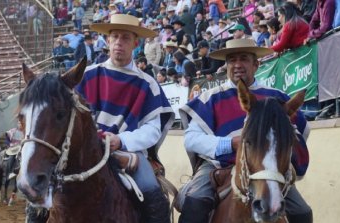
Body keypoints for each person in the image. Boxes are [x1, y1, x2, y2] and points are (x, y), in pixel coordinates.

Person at [177, 39, 312, 223]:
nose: (237, 64)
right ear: (226, 65)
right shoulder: (209, 98)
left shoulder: (277, 97)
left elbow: (300, 132)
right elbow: (191, 139)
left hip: (266, 168)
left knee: (302, 212)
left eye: (244, 59)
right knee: (195, 202)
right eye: (232, 60)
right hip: (217, 165)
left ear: (256, 64)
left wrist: (274, 151)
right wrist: (230, 144)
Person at [78, 14, 175, 223]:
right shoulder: (87, 75)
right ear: (107, 41)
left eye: (125, 38)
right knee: (42, 198)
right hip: (84, 150)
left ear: (136, 43)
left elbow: (152, 130)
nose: (119, 43)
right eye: (114, 37)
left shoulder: (148, 84)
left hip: (128, 151)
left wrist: (121, 140)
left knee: (153, 194)